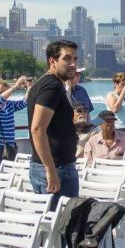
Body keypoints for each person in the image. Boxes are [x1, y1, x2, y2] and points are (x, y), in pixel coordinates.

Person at [27, 39, 80, 199]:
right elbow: (37, 129)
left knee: (47, 214)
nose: (73, 64)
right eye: (67, 58)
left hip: (45, 167)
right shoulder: (52, 86)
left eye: (75, 59)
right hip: (57, 169)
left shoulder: (41, 84)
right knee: (64, 215)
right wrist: (50, 170)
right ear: (52, 61)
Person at [0, 75, 31, 163]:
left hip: (8, 144)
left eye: (6, 91)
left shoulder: (10, 104)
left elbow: (24, 102)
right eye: (1, 92)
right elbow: (0, 100)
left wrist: (29, 88)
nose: (5, 94)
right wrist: (15, 86)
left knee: (8, 169)